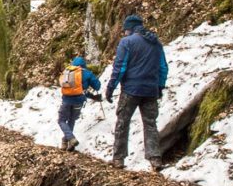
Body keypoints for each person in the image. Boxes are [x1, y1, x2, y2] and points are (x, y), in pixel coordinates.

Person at [105, 14, 168, 170]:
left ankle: (118, 158)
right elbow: (163, 67)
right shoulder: (156, 43)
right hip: (151, 90)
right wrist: (159, 86)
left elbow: (120, 68)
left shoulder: (127, 42)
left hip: (131, 90)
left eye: (125, 30)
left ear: (130, 29)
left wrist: (111, 87)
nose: (124, 33)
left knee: (122, 122)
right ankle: (155, 159)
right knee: (150, 124)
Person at [58, 56, 102, 151]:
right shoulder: (87, 73)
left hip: (66, 101)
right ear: (84, 65)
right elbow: (97, 86)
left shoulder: (68, 72)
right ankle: (67, 141)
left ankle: (69, 139)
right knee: (72, 120)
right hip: (79, 102)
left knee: (61, 120)